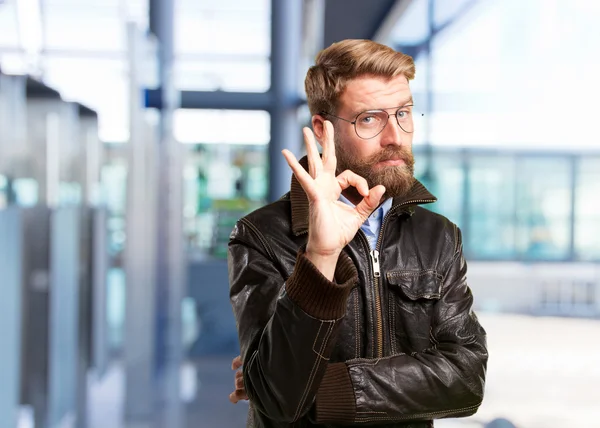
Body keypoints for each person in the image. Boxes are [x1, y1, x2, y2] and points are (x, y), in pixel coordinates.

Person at [227, 39, 488, 427]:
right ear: (322, 128)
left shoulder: (438, 237)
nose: (395, 136)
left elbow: (466, 378)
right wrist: (320, 255)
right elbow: (280, 401)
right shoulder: (262, 236)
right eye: (370, 118)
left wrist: (323, 389)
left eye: (403, 113)